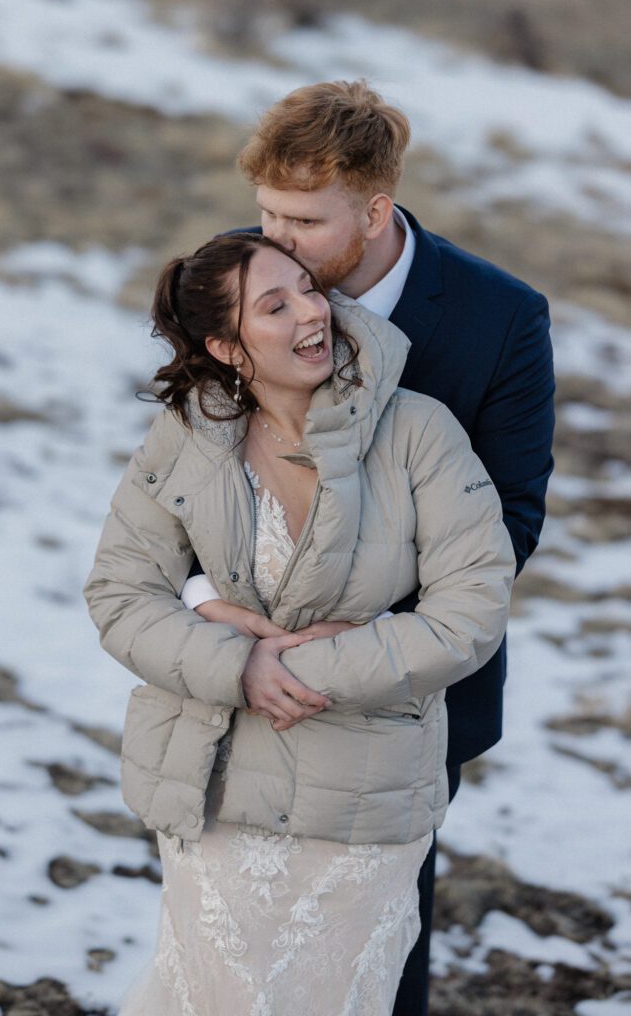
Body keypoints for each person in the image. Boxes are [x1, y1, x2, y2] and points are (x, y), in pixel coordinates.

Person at [181, 80, 556, 1015]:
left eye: (302, 219)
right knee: (229, 931)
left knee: (375, 943)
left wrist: (361, 635)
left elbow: (512, 517)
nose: (274, 235)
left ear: (376, 208)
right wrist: (213, 607)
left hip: (408, 692)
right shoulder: (240, 281)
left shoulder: (500, 317)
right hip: (244, 675)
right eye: (265, 209)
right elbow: (184, 480)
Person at [84, 232, 515, 1014]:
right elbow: (120, 593)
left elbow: (472, 608)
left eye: (308, 290)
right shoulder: (184, 438)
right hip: (213, 790)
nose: (312, 312)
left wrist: (303, 673)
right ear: (226, 345)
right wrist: (237, 669)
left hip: (365, 801)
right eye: (274, 305)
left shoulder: (419, 430)